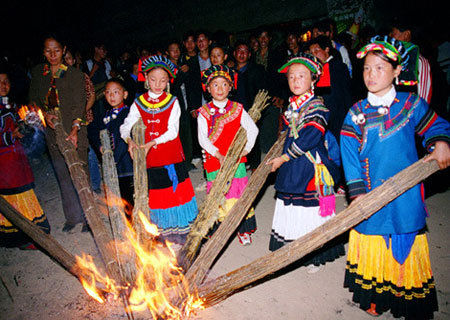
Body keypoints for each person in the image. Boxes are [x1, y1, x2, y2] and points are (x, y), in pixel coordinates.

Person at [340, 35, 450, 319]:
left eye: (379, 68)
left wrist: (440, 142)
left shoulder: (410, 104)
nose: (371, 74)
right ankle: (375, 295)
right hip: (370, 191)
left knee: (404, 237)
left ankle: (404, 297)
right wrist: (358, 193)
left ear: (397, 71)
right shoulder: (355, 113)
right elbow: (349, 155)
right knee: (373, 237)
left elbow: (436, 124)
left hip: (405, 193)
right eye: (366, 68)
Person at [267, 53, 343, 273]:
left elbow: (311, 137)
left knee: (308, 207)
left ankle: (312, 254)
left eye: (301, 76)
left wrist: (283, 157)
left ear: (313, 80)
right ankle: (291, 250)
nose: (295, 80)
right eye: (291, 76)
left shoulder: (317, 107)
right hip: (293, 162)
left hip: (308, 165)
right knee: (291, 202)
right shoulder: (292, 106)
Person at [120, 55, 198, 249]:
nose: (158, 84)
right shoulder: (139, 102)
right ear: (146, 79)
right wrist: (129, 140)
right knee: (157, 195)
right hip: (151, 158)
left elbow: (172, 131)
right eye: (153, 79)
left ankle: (181, 233)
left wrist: (151, 142)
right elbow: (126, 125)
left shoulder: (173, 101)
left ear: (168, 81)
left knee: (175, 193)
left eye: (163, 80)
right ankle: (162, 235)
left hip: (170, 155)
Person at [29, 35, 89, 232]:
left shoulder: (74, 75)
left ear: (64, 50)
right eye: (48, 51)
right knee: (62, 173)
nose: (53, 55)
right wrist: (43, 115)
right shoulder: (38, 74)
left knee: (80, 172)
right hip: (52, 130)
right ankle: (72, 216)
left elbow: (80, 104)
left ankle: (89, 216)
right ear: (43, 52)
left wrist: (74, 129)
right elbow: (34, 101)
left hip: (75, 128)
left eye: (56, 50)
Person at [197, 64, 258, 245]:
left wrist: (246, 149)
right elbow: (202, 139)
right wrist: (217, 154)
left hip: (236, 161)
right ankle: (221, 232)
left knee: (237, 194)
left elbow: (252, 130)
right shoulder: (204, 112)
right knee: (219, 194)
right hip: (214, 161)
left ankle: (242, 230)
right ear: (208, 89)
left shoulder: (238, 109)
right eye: (215, 85)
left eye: (224, 84)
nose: (220, 89)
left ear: (230, 87)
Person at [0, 68, 50, 249]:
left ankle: (31, 236)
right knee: (16, 200)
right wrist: (11, 135)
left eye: (6, 81)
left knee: (24, 196)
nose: (3, 86)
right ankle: (24, 239)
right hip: (6, 167)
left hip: (17, 161)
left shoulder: (9, 105)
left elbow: (16, 126)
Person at [89, 78, 134, 215]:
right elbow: (91, 130)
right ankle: (130, 228)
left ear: (124, 94)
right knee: (121, 200)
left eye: (116, 92)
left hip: (127, 165)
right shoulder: (104, 116)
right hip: (113, 168)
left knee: (131, 198)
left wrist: (113, 159)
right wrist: (99, 146)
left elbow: (123, 139)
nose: (112, 96)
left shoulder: (129, 114)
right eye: (108, 92)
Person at [308, 35, 353, 143]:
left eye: (316, 50)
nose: (313, 54)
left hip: (338, 115)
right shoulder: (317, 70)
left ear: (327, 49)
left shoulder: (338, 66)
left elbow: (344, 94)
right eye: (311, 52)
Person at [232, 40, 267, 170]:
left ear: (249, 55)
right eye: (239, 51)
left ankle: (254, 166)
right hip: (234, 110)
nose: (242, 54)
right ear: (234, 53)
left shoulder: (257, 70)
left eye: (245, 51)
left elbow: (263, 91)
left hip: (251, 109)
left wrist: (257, 110)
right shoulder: (230, 71)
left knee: (253, 137)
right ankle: (239, 165)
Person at [166, 40, 195, 170]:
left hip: (185, 104)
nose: (176, 52)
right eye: (173, 50)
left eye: (178, 49)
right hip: (173, 107)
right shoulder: (166, 69)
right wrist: (180, 75)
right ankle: (179, 162)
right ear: (167, 52)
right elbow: (171, 89)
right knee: (176, 135)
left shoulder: (183, 65)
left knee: (186, 134)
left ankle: (187, 162)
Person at [64, 48, 96, 125]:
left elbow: (92, 96)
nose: (66, 61)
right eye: (63, 59)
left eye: (68, 58)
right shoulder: (58, 78)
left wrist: (81, 113)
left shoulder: (82, 76)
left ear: (74, 61)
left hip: (82, 117)